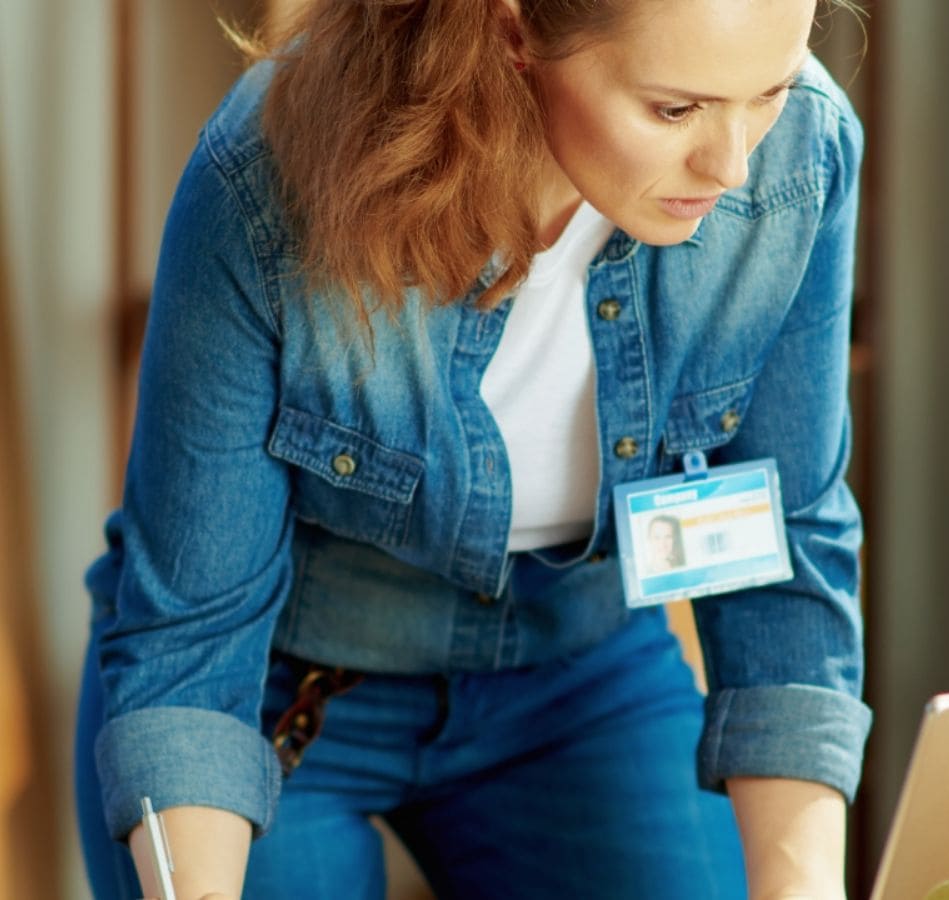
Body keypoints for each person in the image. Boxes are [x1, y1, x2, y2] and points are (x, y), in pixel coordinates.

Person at [75, 0, 871, 896]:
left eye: (768, 90)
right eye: (674, 110)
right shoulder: (270, 174)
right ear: (514, 32)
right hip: (275, 680)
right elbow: (195, 637)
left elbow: (785, 544)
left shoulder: (803, 149)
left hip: (578, 671)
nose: (732, 166)